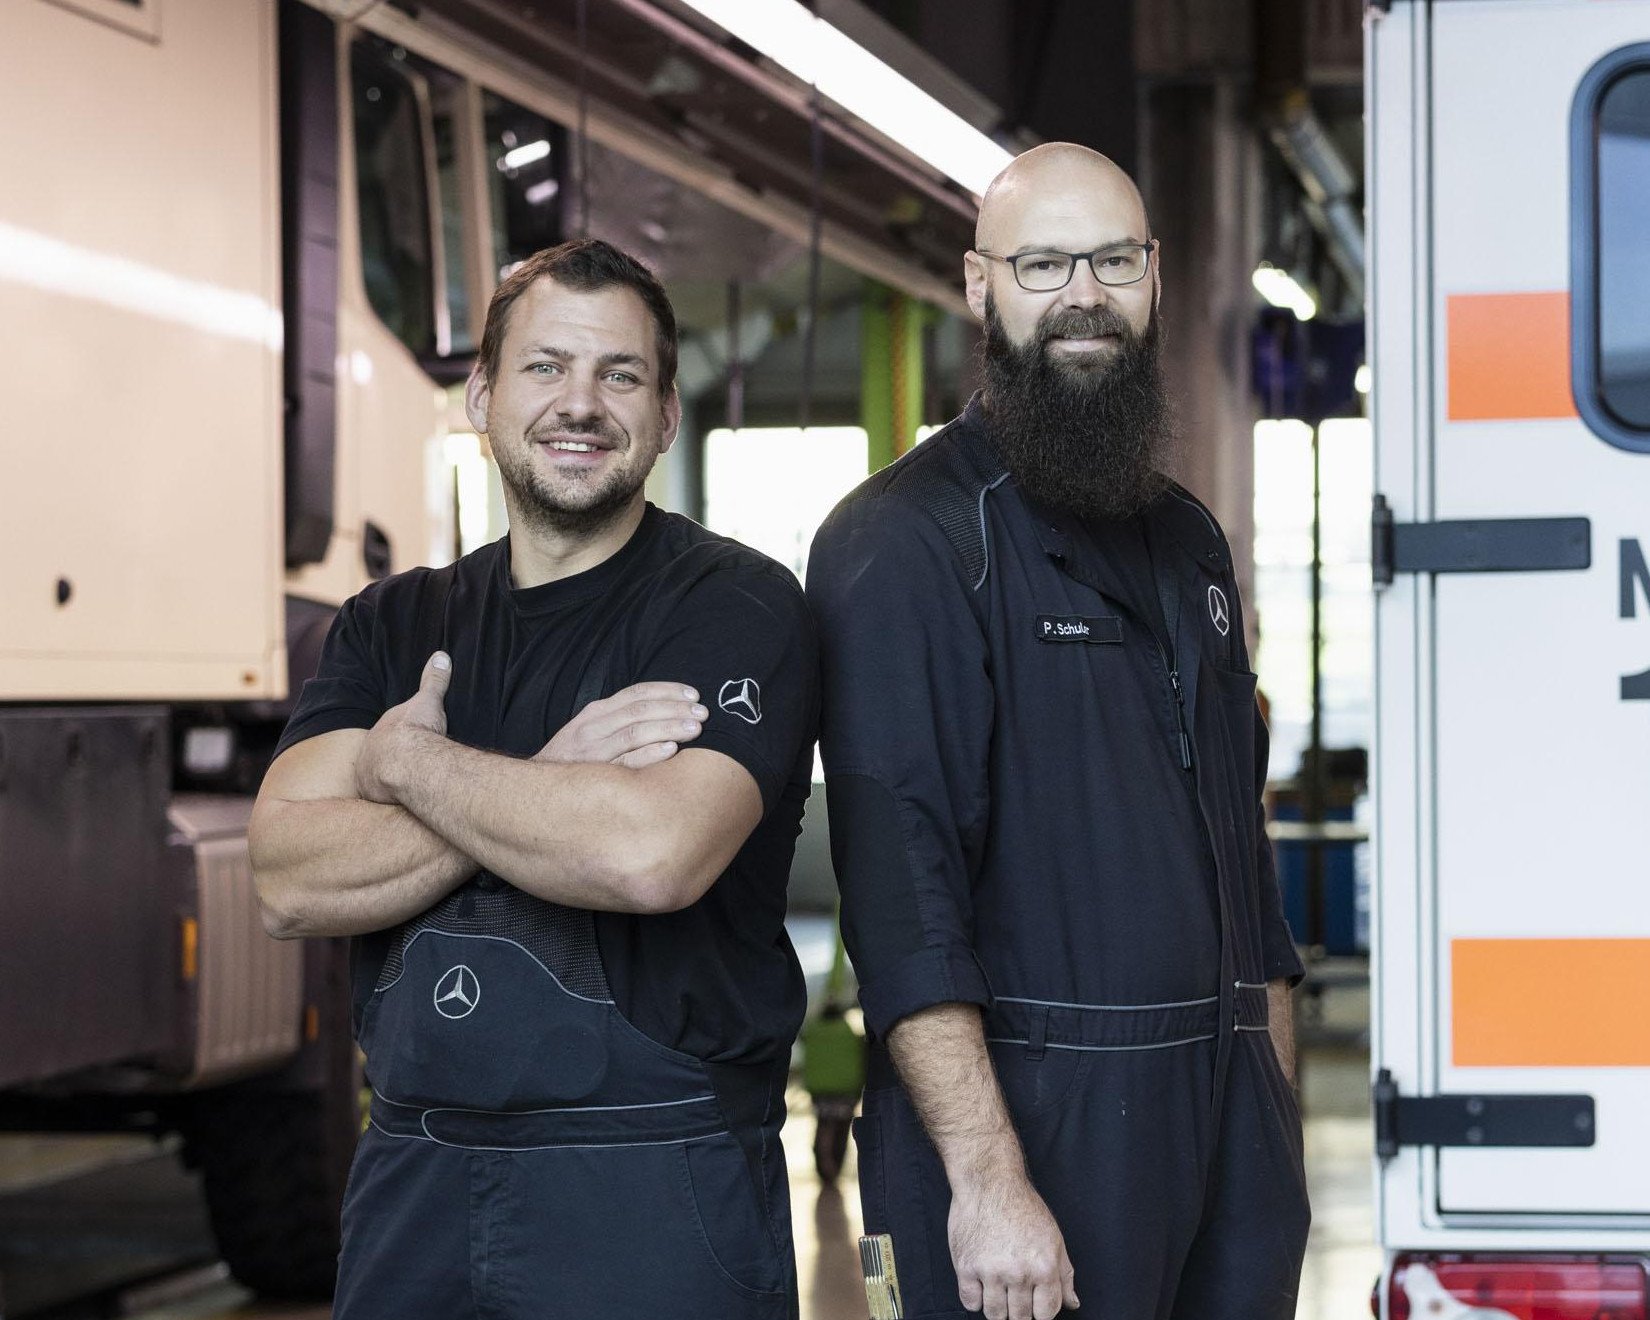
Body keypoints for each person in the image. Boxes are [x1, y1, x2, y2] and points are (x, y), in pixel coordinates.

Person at [250, 238, 817, 1320]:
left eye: (621, 375)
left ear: (665, 418)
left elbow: (653, 854)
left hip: (652, 1180)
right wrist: (551, 778)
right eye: (547, 367)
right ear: (483, 396)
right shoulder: (391, 623)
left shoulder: (734, 605)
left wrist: (404, 764)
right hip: (414, 1174)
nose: (581, 404)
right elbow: (286, 877)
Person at [806, 144, 1310, 1320]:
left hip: (1224, 1132)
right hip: (1029, 1129)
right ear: (981, 287)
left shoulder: (1191, 546)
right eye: (1043, 263)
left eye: (1113, 260)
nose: (1084, 294)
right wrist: (986, 1180)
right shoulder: (907, 544)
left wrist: (1272, 1127)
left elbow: (1247, 858)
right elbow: (904, 902)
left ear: (1154, 276)